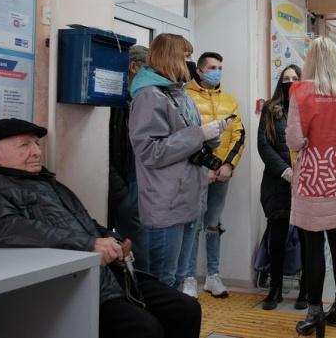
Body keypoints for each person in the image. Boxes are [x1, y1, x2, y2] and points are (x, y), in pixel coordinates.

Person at [0, 118, 201, 338]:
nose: (37, 151)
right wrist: (89, 244)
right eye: (25, 145)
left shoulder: (49, 183)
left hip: (109, 273)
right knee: (144, 329)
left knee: (185, 308)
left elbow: (85, 222)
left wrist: (112, 241)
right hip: (72, 283)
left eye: (37, 144)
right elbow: (0, 227)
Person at [129, 33, 228, 290]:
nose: (190, 64)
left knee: (179, 279)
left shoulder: (181, 96)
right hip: (167, 204)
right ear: (170, 57)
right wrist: (198, 134)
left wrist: (211, 137)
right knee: (164, 282)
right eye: (186, 57)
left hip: (188, 200)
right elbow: (150, 151)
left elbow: (188, 140)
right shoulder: (149, 96)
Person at [286, 37, 336, 338]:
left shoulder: (301, 92)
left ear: (310, 61)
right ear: (335, 60)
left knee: (314, 246)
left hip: (313, 180)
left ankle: (315, 312)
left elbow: (294, 141)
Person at [184, 51, 246, 298]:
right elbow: (185, 135)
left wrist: (229, 165)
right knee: (192, 224)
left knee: (213, 224)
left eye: (220, 68)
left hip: (222, 173)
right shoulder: (185, 97)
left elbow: (238, 134)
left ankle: (213, 276)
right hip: (195, 171)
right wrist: (205, 166)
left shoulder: (229, 101)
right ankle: (188, 278)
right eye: (211, 67)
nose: (217, 72)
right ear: (199, 70)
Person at [257, 64, 308, 311]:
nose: (290, 82)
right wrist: (285, 171)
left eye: (295, 78)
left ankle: (306, 289)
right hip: (277, 183)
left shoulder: (309, 107)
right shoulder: (270, 109)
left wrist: (301, 171)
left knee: (307, 239)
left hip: (306, 182)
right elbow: (263, 145)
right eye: (286, 78)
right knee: (276, 238)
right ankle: (275, 288)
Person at [108, 44, 149, 271]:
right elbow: (108, 151)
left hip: (136, 185)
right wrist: (122, 192)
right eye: (149, 69)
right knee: (135, 249)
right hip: (123, 188)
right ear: (134, 67)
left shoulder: (137, 100)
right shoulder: (115, 103)